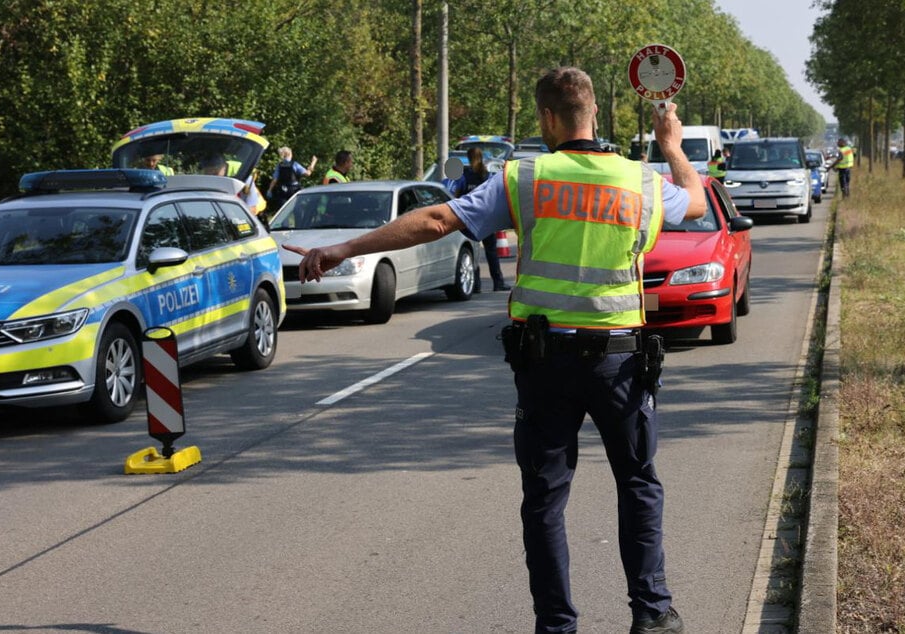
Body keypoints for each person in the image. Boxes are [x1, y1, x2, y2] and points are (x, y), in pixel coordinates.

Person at [285, 66, 704, 634]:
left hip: (547, 362)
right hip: (620, 363)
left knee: (546, 500)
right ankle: (652, 615)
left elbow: (436, 219)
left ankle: (556, 627)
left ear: (546, 119)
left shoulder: (524, 177)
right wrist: (672, 147)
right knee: (637, 485)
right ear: (596, 114)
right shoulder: (643, 182)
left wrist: (344, 248)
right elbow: (698, 203)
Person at [457, 146, 509, 291]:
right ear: (481, 157)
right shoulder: (486, 175)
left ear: (468, 158)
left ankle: (476, 285)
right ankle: (498, 283)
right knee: (491, 252)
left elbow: (456, 195)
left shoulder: (464, 176)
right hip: (486, 219)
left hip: (468, 220)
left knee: (473, 253)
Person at [268, 146, 318, 212]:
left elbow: (275, 180)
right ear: (290, 154)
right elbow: (308, 173)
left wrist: (269, 190)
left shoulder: (279, 166)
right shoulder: (295, 164)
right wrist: (313, 162)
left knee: (284, 212)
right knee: (297, 212)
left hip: (283, 191)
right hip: (294, 191)